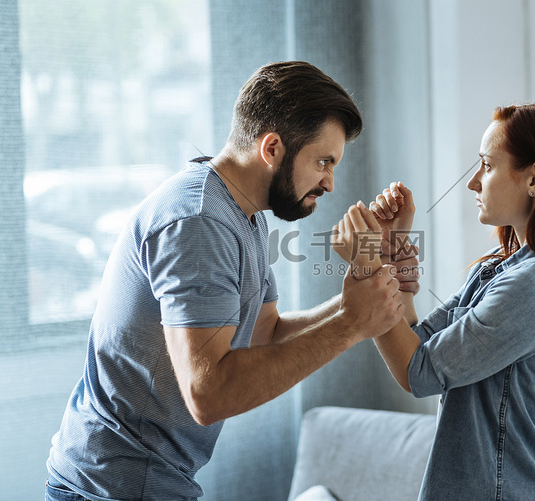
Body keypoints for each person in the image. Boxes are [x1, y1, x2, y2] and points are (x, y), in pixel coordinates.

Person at [45, 61, 418, 501]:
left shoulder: (243, 215)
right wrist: (352, 323)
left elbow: (264, 335)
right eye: (323, 161)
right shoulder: (200, 221)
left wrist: (368, 285)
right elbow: (209, 392)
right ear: (273, 147)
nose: (330, 182)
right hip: (112, 488)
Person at [333, 101, 535, 500]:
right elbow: (417, 344)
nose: (473, 182)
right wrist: (392, 246)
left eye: (487, 166)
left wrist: (369, 265)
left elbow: (416, 372)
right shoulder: (500, 271)